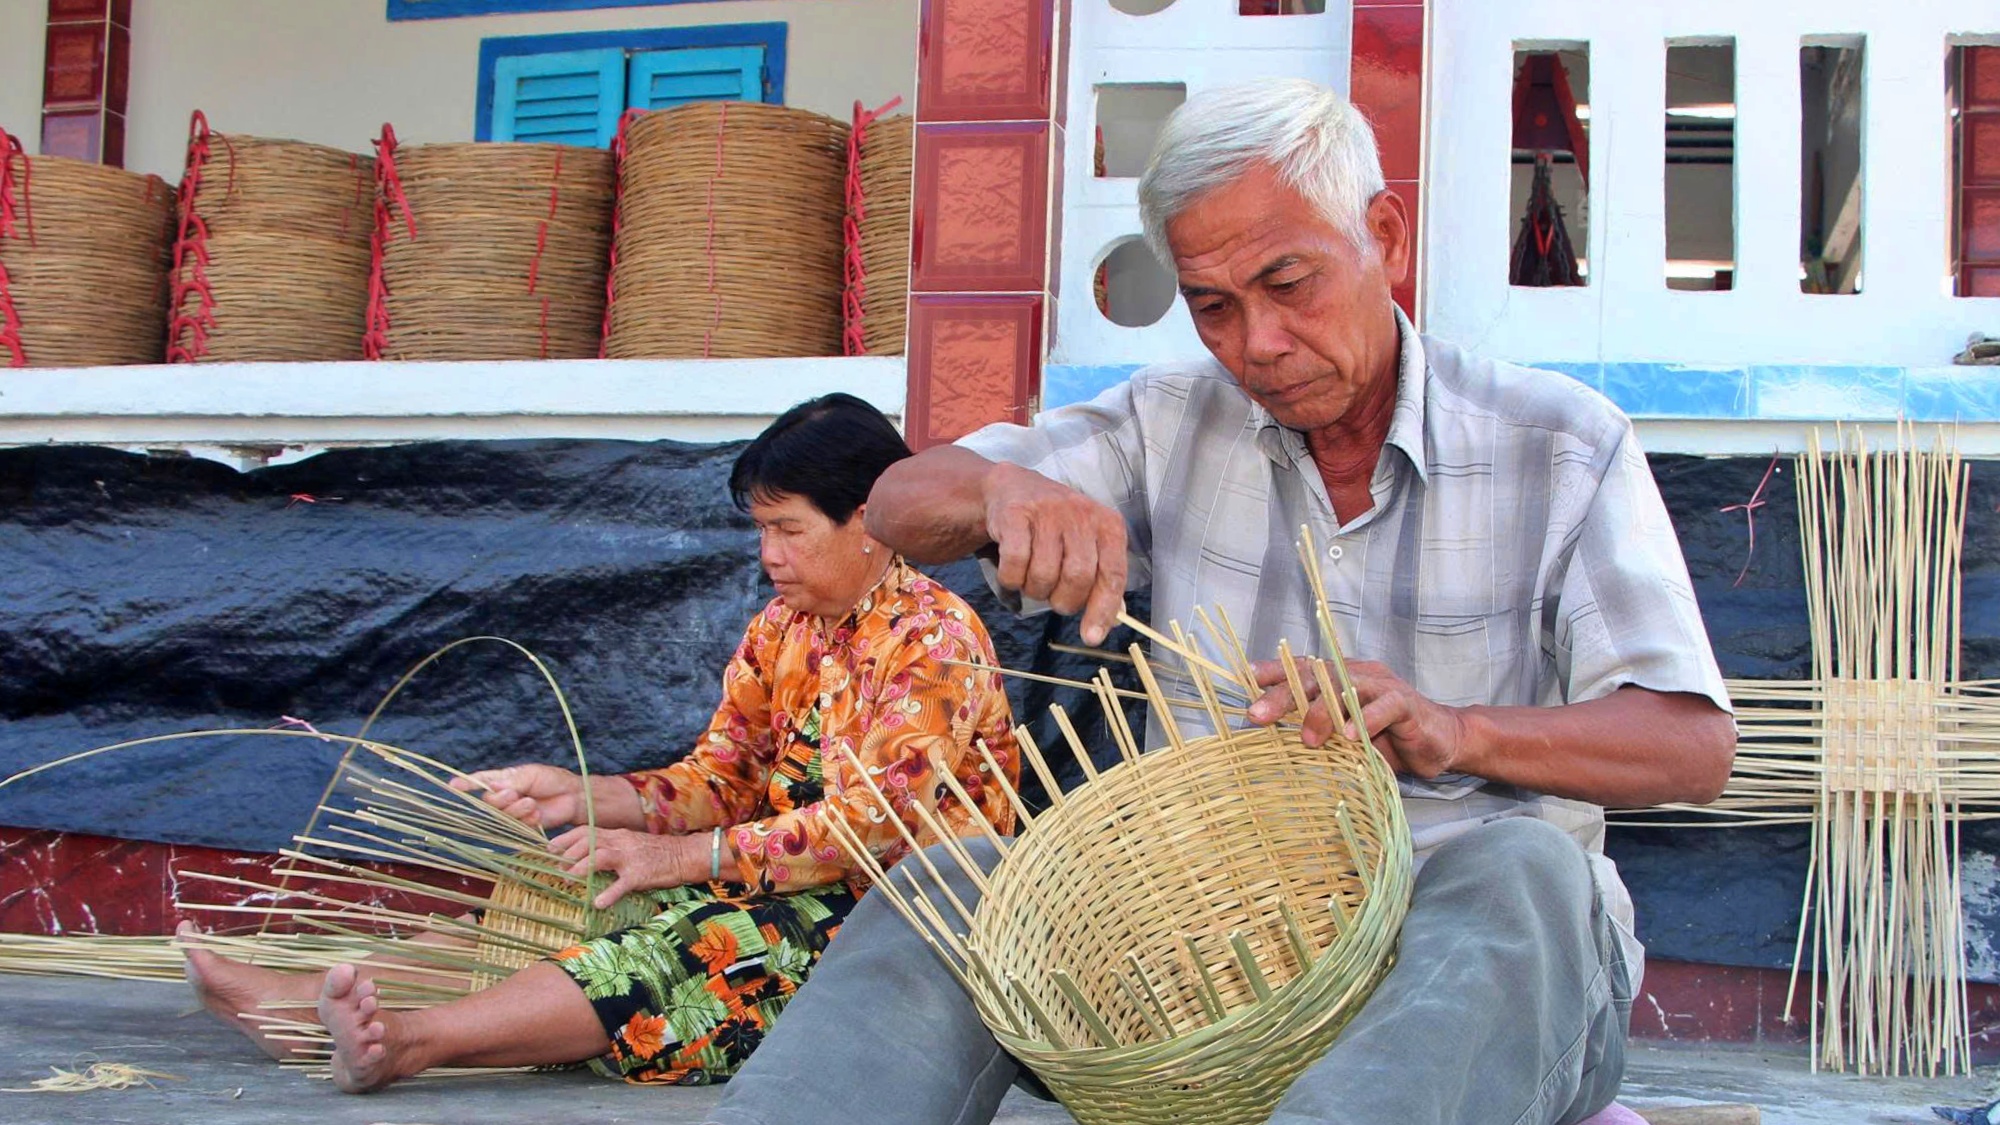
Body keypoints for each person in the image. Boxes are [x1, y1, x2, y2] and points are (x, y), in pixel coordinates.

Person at [708, 81, 1737, 1125]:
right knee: (954, 884)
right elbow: (896, 500)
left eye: (1289, 282)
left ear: (1384, 235)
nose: (1257, 343)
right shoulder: (1167, 424)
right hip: (1197, 969)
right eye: (1213, 305)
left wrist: (1454, 729)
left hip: (1475, 968)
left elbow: (1687, 745)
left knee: (1520, 866)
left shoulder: (1559, 442)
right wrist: (1002, 488)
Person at [178, 393, 1021, 1094]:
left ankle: (412, 1040)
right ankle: (299, 1004)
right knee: (575, 887)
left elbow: (872, 832)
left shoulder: (933, 639)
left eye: (789, 529)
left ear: (868, 522)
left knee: (695, 942)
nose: (769, 555)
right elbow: (722, 779)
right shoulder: (783, 630)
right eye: (760, 530)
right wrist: (587, 796)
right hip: (781, 883)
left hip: (898, 924)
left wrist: (685, 859)